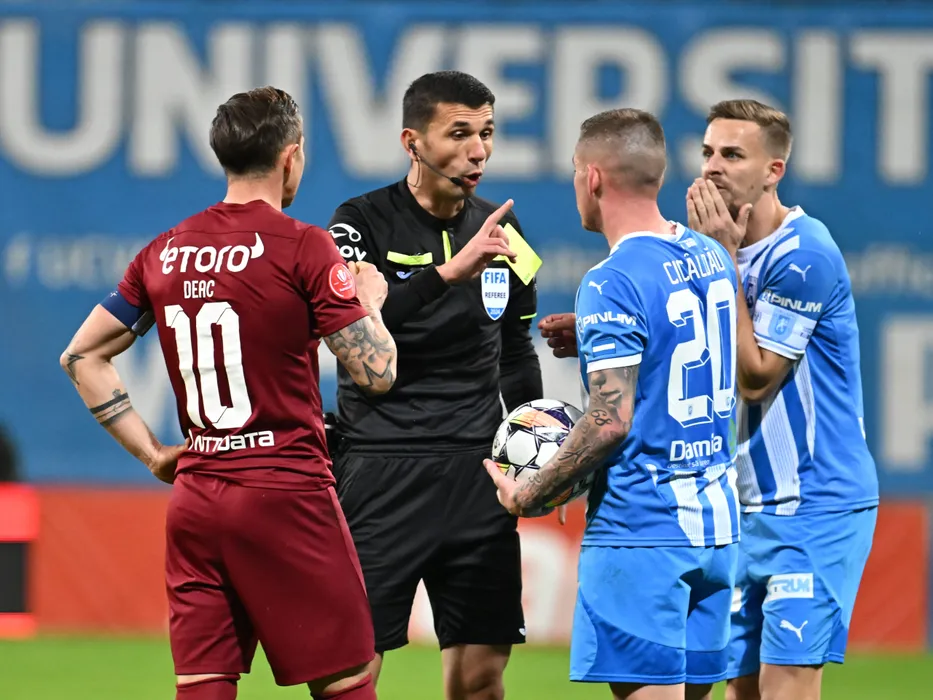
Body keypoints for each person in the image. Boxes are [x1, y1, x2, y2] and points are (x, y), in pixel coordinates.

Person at [59, 86, 398, 700]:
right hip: (285, 492)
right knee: (348, 682)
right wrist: (368, 301)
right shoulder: (303, 245)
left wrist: (153, 454)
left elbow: (81, 356)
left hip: (196, 500)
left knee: (203, 685)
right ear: (291, 156)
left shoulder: (164, 252)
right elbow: (377, 374)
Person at [487, 108, 741, 700]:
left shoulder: (612, 280)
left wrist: (529, 493)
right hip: (716, 529)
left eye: (576, 171)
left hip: (645, 532)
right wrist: (598, 337)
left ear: (594, 177)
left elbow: (608, 421)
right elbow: (686, 346)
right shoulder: (710, 254)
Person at [325, 70, 543, 700]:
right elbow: (349, 325)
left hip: (477, 477)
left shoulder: (507, 234)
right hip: (379, 469)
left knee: (480, 680)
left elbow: (515, 352)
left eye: (487, 133)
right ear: (412, 142)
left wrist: (536, 455)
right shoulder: (358, 223)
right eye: (459, 134)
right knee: (350, 675)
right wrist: (448, 274)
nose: (478, 151)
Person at [685, 99, 879, 700]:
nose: (712, 167)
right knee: (738, 689)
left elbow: (756, 377)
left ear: (774, 171)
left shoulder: (803, 254)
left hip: (816, 504)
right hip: (745, 506)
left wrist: (719, 260)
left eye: (732, 154)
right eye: (708, 152)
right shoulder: (712, 250)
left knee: (786, 688)